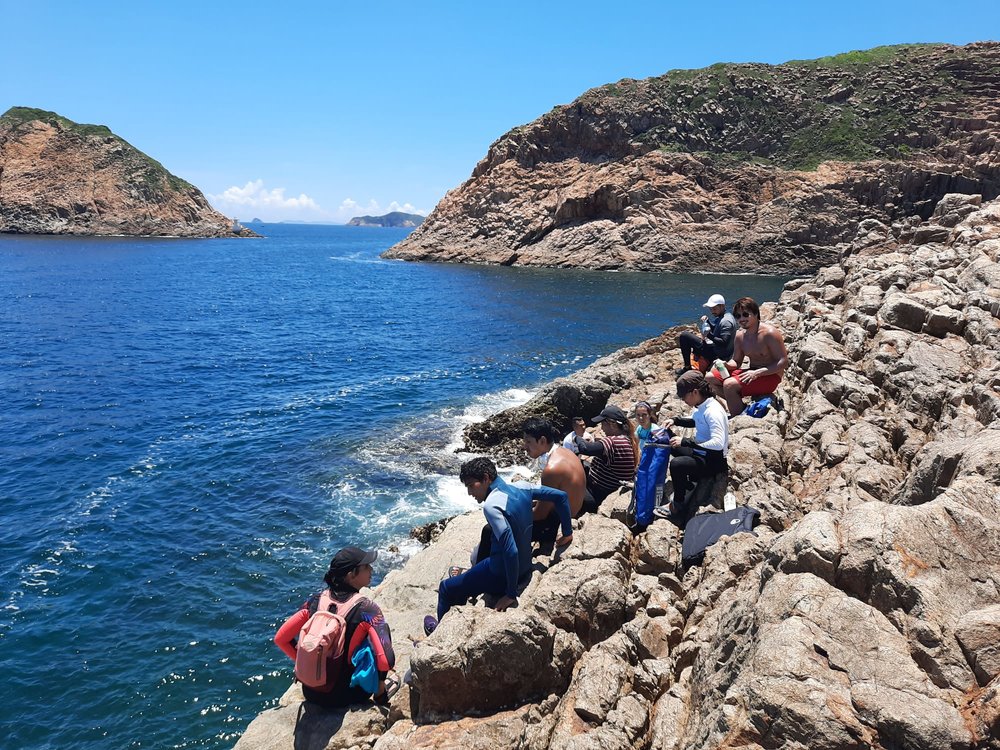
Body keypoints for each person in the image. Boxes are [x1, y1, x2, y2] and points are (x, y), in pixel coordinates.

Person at [424, 457, 573, 634]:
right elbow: (561, 497)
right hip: (525, 567)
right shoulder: (522, 487)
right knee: (477, 561)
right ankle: (467, 585)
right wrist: (567, 532)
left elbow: (510, 552)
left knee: (446, 588)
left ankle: (438, 634)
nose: (470, 492)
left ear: (486, 478)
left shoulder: (492, 506)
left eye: (472, 485)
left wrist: (510, 594)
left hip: (500, 576)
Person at [274, 547, 396, 708]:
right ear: (351, 574)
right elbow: (386, 661)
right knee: (380, 632)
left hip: (311, 693)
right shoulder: (367, 609)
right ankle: (381, 692)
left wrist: (307, 661)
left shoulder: (315, 602)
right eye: (366, 566)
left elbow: (281, 639)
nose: (371, 569)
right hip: (348, 695)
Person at [662, 370, 730, 518]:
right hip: (701, 454)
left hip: (713, 462)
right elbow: (696, 420)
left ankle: (678, 505)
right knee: (669, 441)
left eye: (683, 396)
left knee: (676, 464)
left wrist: (686, 442)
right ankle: (689, 481)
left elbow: (718, 443)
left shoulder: (713, 411)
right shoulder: (703, 405)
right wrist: (676, 420)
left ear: (694, 392)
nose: (683, 400)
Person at [710, 296, 788, 416]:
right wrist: (726, 364)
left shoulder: (770, 334)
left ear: (756, 314)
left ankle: (737, 416)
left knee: (729, 385)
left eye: (745, 314)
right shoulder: (740, 336)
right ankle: (739, 406)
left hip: (770, 375)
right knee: (710, 377)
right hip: (752, 373)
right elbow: (736, 362)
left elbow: (783, 362)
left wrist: (758, 372)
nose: (742, 319)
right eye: (738, 316)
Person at [522, 417, 590, 541]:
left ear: (542, 440)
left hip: (558, 522)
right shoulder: (565, 451)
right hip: (574, 508)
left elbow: (539, 514)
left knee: (493, 529)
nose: (524, 446)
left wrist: (513, 513)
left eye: (528, 442)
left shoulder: (551, 470)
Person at [574, 405, 639, 506]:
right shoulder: (626, 439)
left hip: (598, 494)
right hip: (609, 488)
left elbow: (585, 448)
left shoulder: (614, 442)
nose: (602, 428)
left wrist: (576, 437)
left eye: (602, 424)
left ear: (612, 424)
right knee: (581, 464)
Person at [677, 294, 738, 375]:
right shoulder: (724, 316)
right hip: (716, 350)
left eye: (714, 308)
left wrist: (708, 335)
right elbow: (717, 329)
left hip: (718, 354)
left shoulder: (726, 322)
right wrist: (708, 321)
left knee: (685, 336)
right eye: (711, 309)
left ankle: (687, 367)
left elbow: (723, 343)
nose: (712, 311)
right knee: (694, 339)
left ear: (722, 306)